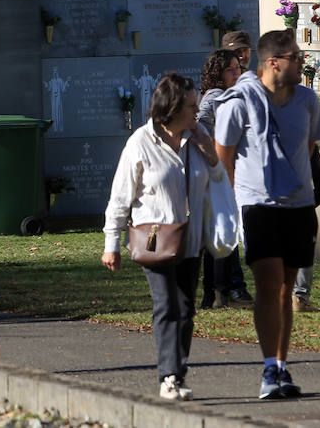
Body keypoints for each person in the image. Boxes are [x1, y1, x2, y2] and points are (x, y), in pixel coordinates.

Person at [215, 29, 320, 400]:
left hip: (299, 205)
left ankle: (281, 364)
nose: (301, 62)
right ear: (273, 62)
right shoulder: (238, 102)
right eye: (295, 57)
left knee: (286, 288)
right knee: (268, 283)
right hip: (258, 206)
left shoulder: (308, 100)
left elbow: (307, 147)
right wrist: (233, 206)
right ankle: (268, 369)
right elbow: (223, 159)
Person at [104, 72, 223, 401]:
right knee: (167, 305)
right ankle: (168, 375)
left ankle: (178, 373)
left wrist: (209, 150)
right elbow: (120, 197)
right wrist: (111, 245)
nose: (196, 112)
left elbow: (218, 178)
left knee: (186, 309)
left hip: (191, 238)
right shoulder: (141, 142)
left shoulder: (197, 138)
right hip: (154, 241)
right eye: (190, 106)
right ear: (171, 107)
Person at [196, 50, 252, 309]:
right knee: (223, 232)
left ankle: (215, 292)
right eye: (230, 69)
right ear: (217, 73)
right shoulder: (217, 98)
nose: (236, 73)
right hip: (217, 173)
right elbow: (203, 128)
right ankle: (230, 289)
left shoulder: (219, 96)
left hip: (215, 172)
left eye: (237, 68)